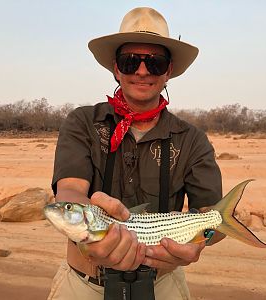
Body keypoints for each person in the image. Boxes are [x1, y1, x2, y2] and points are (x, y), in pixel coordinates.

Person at [48, 6, 224, 300]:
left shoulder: (192, 140)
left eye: (154, 63)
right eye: (130, 61)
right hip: (82, 285)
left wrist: (198, 242)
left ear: (168, 71)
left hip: (162, 286)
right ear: (116, 68)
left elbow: (213, 221)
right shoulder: (83, 123)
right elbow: (69, 190)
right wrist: (87, 226)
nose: (142, 71)